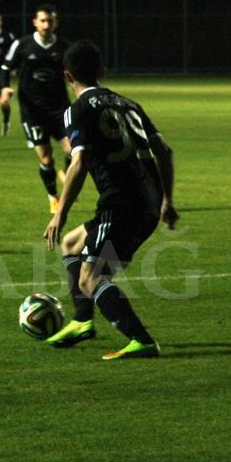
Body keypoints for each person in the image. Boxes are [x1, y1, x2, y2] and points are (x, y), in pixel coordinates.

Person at [44, 40, 179, 360]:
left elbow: (79, 162)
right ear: (102, 71)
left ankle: (141, 340)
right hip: (147, 203)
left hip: (121, 206)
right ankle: (82, 320)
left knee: (91, 278)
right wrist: (167, 201)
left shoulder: (77, 110)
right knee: (72, 244)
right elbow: (164, 151)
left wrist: (59, 213)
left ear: (67, 76)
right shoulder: (129, 104)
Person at [0, 4, 72, 213]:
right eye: (42, 21)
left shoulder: (64, 47)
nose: (46, 25)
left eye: (50, 21)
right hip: (33, 112)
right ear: (35, 22)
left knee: (75, 150)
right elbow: (5, 68)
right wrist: (4, 89)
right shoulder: (22, 45)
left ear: (55, 23)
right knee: (47, 158)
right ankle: (53, 197)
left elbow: (74, 73)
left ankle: (67, 176)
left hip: (60, 110)